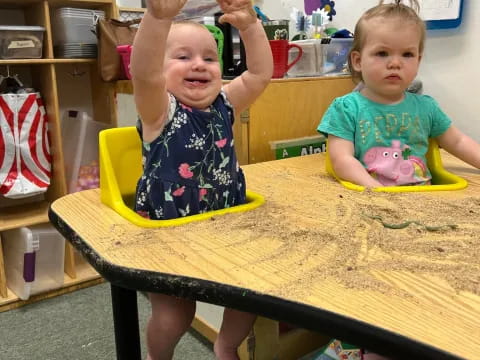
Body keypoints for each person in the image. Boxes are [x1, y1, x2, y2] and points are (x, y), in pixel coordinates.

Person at [129, 0, 273, 359]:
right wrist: (157, 17)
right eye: (182, 57)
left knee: (247, 294)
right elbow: (143, 73)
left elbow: (259, 75)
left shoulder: (225, 103)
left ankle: (226, 345)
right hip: (170, 232)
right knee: (177, 314)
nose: (199, 64)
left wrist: (251, 27)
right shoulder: (159, 109)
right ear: (161, 71)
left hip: (226, 226)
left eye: (210, 58)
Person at [318, 0, 480, 188]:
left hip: (424, 199)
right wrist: (377, 191)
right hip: (370, 197)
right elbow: (341, 160)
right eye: (382, 53)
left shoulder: (427, 108)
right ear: (358, 61)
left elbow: (458, 141)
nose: (395, 63)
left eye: (407, 55)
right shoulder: (346, 108)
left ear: (418, 61)